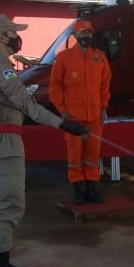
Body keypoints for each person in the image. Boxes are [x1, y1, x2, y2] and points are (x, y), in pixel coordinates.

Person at [0, 14, 86, 267]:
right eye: (12, 33)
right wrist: (63, 124)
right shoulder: (0, 68)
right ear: (0, 37)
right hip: (3, 144)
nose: (16, 37)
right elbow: (27, 104)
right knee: (8, 204)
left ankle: (1, 264)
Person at [49, 20, 112, 205]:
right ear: (75, 36)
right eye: (82, 33)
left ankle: (92, 188)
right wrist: (63, 111)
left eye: (89, 33)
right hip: (73, 117)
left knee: (93, 155)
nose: (86, 36)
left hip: (94, 116)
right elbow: (55, 87)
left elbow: (105, 85)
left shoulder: (100, 58)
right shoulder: (63, 58)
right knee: (74, 156)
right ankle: (78, 188)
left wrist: (103, 107)